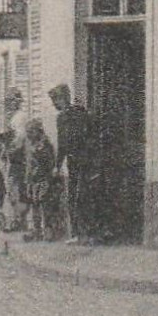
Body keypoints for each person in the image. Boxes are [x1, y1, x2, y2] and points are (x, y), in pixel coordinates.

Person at [49, 83, 93, 244]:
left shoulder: (65, 117)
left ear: (62, 98)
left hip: (78, 160)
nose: (54, 104)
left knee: (78, 197)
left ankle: (81, 234)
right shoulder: (80, 112)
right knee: (79, 196)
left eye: (55, 100)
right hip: (80, 160)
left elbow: (63, 143)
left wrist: (57, 165)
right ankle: (82, 234)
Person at [23, 118, 56, 242]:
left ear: (38, 131)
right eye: (27, 132)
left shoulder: (45, 144)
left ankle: (47, 231)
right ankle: (36, 231)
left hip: (43, 178)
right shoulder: (29, 145)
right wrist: (27, 182)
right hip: (33, 179)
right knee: (34, 204)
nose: (29, 135)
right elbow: (28, 165)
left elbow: (49, 162)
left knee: (44, 204)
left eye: (31, 132)